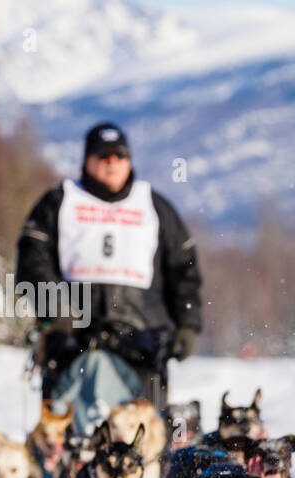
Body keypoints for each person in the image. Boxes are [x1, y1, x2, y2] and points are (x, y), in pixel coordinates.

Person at [16, 122, 201, 411]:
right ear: (87, 160)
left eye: (119, 155)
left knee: (144, 440)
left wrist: (188, 323)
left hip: (143, 340)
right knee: (66, 439)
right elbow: (31, 260)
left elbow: (184, 268)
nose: (111, 162)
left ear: (129, 160)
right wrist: (56, 309)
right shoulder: (59, 202)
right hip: (72, 338)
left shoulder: (154, 206)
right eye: (103, 156)